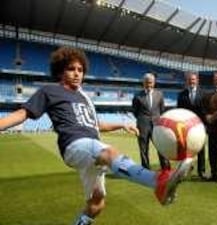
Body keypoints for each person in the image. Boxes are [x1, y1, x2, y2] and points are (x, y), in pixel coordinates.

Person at [0, 47, 192, 225]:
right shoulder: (49, 91)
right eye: (71, 69)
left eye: (80, 69)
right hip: (74, 146)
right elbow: (23, 113)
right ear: (60, 71)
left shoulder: (84, 97)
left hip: (92, 148)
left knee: (97, 203)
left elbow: (96, 125)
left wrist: (121, 124)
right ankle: (158, 181)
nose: (77, 73)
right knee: (109, 152)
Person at [132, 73, 170, 170]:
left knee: (161, 147)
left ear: (154, 83)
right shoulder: (137, 96)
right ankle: (146, 170)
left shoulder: (159, 94)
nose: (149, 85)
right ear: (143, 83)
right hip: (142, 126)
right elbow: (135, 111)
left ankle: (166, 168)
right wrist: (143, 119)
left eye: (150, 83)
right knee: (143, 149)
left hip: (157, 125)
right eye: (147, 83)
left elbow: (162, 110)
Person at [177, 71, 207, 180]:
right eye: (190, 80)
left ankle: (201, 171)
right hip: (186, 127)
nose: (191, 82)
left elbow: (206, 111)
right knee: (186, 150)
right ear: (187, 81)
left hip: (200, 127)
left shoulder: (203, 94)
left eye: (193, 80)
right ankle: (185, 170)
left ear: (197, 81)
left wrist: (205, 125)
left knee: (201, 150)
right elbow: (179, 111)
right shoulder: (181, 95)